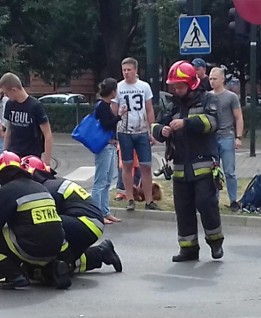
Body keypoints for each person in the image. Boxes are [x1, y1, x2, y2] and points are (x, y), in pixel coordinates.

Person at [151, 60, 223, 262]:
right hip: (181, 166)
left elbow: (212, 122)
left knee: (206, 204)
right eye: (174, 85)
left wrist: (186, 123)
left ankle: (215, 242)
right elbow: (155, 125)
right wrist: (161, 131)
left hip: (203, 165)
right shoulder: (172, 104)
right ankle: (188, 249)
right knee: (183, 209)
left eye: (179, 85)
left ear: (191, 83)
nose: (176, 89)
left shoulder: (207, 99)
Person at [0, 152, 71, 290]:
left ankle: (13, 276)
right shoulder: (40, 186)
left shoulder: (7, 191)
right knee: (27, 233)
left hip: (32, 248)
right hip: (57, 247)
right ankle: (52, 269)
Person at [22, 156, 122, 274]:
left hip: (85, 222)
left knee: (47, 227)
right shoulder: (53, 182)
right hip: (90, 222)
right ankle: (102, 253)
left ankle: (66, 263)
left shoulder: (45, 189)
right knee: (63, 264)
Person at [115, 57, 158, 211]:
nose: (126, 73)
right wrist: (119, 114)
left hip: (141, 131)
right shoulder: (118, 87)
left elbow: (149, 109)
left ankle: (149, 200)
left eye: (129, 70)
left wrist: (150, 129)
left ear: (135, 70)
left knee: (146, 165)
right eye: (124, 70)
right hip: (124, 131)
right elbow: (113, 110)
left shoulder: (144, 87)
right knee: (126, 165)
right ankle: (130, 198)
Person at [0, 72, 53, 164]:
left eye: (7, 93)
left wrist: (46, 162)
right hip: (14, 153)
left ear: (14, 90)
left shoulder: (35, 106)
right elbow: (9, 130)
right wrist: (5, 152)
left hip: (32, 155)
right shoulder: (10, 104)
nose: (6, 96)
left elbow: (47, 134)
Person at [209, 67, 244, 211]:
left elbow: (238, 117)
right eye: (210, 79)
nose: (212, 81)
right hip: (211, 138)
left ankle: (233, 200)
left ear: (222, 79)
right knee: (213, 171)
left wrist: (238, 137)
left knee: (229, 171)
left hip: (227, 136)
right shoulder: (207, 96)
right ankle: (214, 200)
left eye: (215, 79)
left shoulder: (231, 97)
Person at [92, 78, 125, 224]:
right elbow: (106, 125)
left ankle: (105, 211)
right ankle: (96, 213)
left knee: (107, 181)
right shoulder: (102, 106)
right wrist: (119, 116)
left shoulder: (106, 105)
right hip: (104, 146)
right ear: (112, 92)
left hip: (110, 145)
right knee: (100, 181)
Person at [0, 80, 9, 154]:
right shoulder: (0, 99)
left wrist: (3, 127)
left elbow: (5, 114)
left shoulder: (5, 99)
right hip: (0, 127)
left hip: (3, 128)